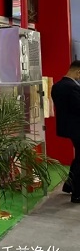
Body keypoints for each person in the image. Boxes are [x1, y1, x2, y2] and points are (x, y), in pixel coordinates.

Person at [51, 60, 80, 204]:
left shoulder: (56, 86)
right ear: (78, 71)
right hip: (77, 127)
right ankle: (77, 193)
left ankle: (69, 185)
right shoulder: (72, 87)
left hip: (67, 127)